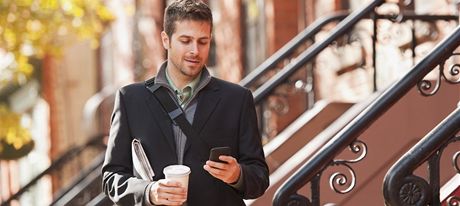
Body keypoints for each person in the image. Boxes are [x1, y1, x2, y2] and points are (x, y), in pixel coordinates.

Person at [101, 0, 269, 205]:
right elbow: (112, 178)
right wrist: (149, 192)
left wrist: (237, 175)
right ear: (166, 40)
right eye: (185, 40)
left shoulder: (237, 99)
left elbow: (260, 177)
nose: (195, 51)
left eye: (203, 41)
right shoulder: (130, 99)